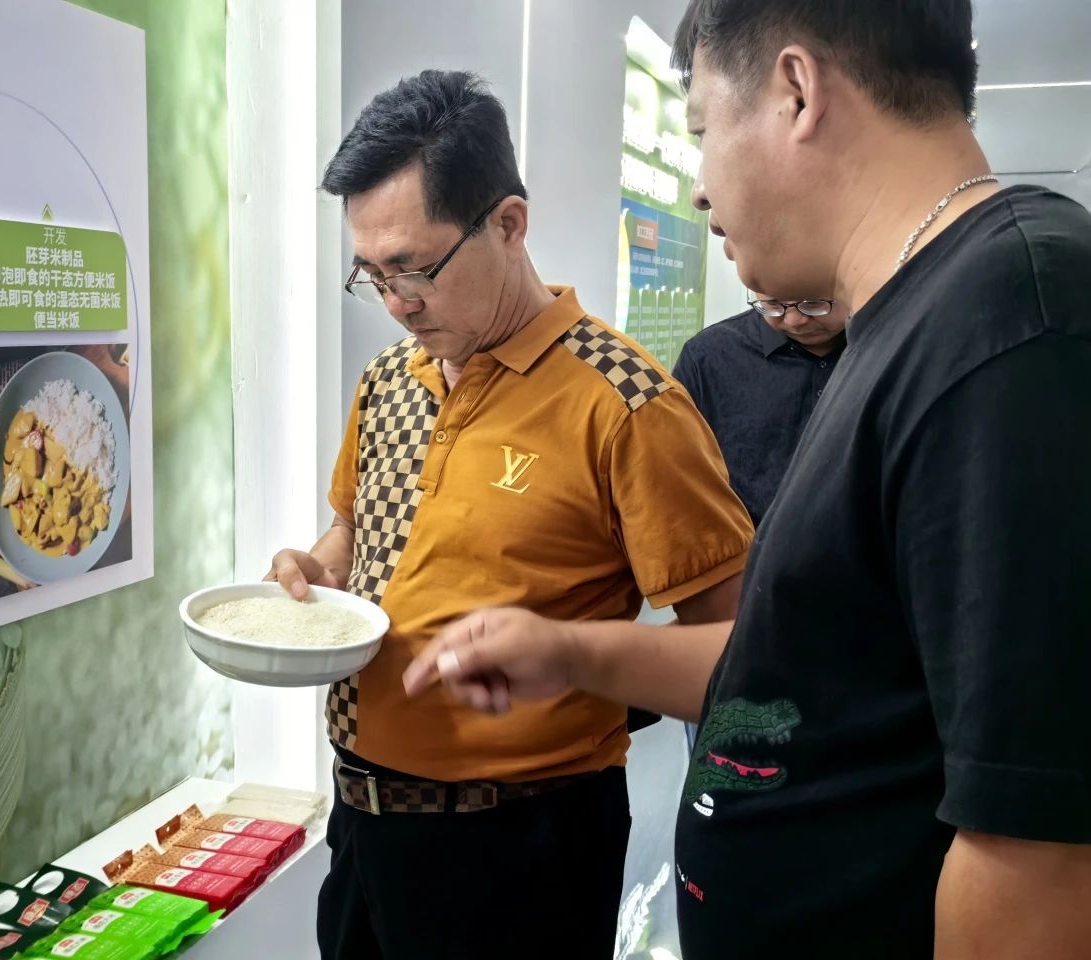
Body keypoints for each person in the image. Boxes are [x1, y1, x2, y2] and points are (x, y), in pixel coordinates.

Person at [405, 4, 1091, 957]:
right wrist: (571, 653)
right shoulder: (910, 318)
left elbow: (1035, 853)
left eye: (701, 130)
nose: (698, 188)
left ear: (796, 93)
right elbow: (801, 673)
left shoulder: (1014, 322)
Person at [268, 70, 753, 959]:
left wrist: (568, 653)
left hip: (522, 849)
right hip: (362, 823)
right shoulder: (388, 381)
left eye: (416, 269)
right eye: (371, 275)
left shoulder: (627, 403)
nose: (396, 304)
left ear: (509, 223)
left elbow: (744, 660)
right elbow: (353, 533)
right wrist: (317, 570)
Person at [673, 295, 847, 526]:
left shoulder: (890, 351)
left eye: (813, 303)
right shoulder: (707, 356)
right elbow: (675, 478)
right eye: (773, 305)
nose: (794, 320)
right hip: (742, 543)